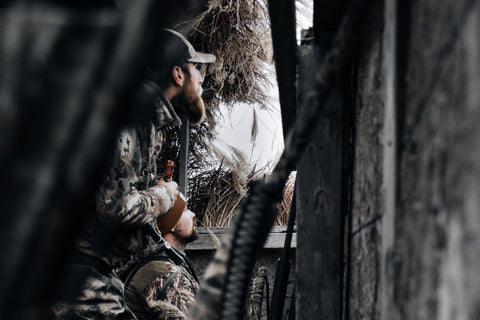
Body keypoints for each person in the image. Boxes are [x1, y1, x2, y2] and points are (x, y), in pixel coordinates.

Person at [51, 29, 215, 319]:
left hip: (97, 278)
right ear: (178, 74)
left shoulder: (146, 124)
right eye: (196, 69)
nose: (201, 78)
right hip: (81, 283)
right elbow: (114, 209)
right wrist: (165, 195)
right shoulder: (130, 122)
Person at [123, 208, 200, 320]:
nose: (193, 214)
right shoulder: (166, 275)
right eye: (185, 210)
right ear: (171, 225)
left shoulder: (164, 263)